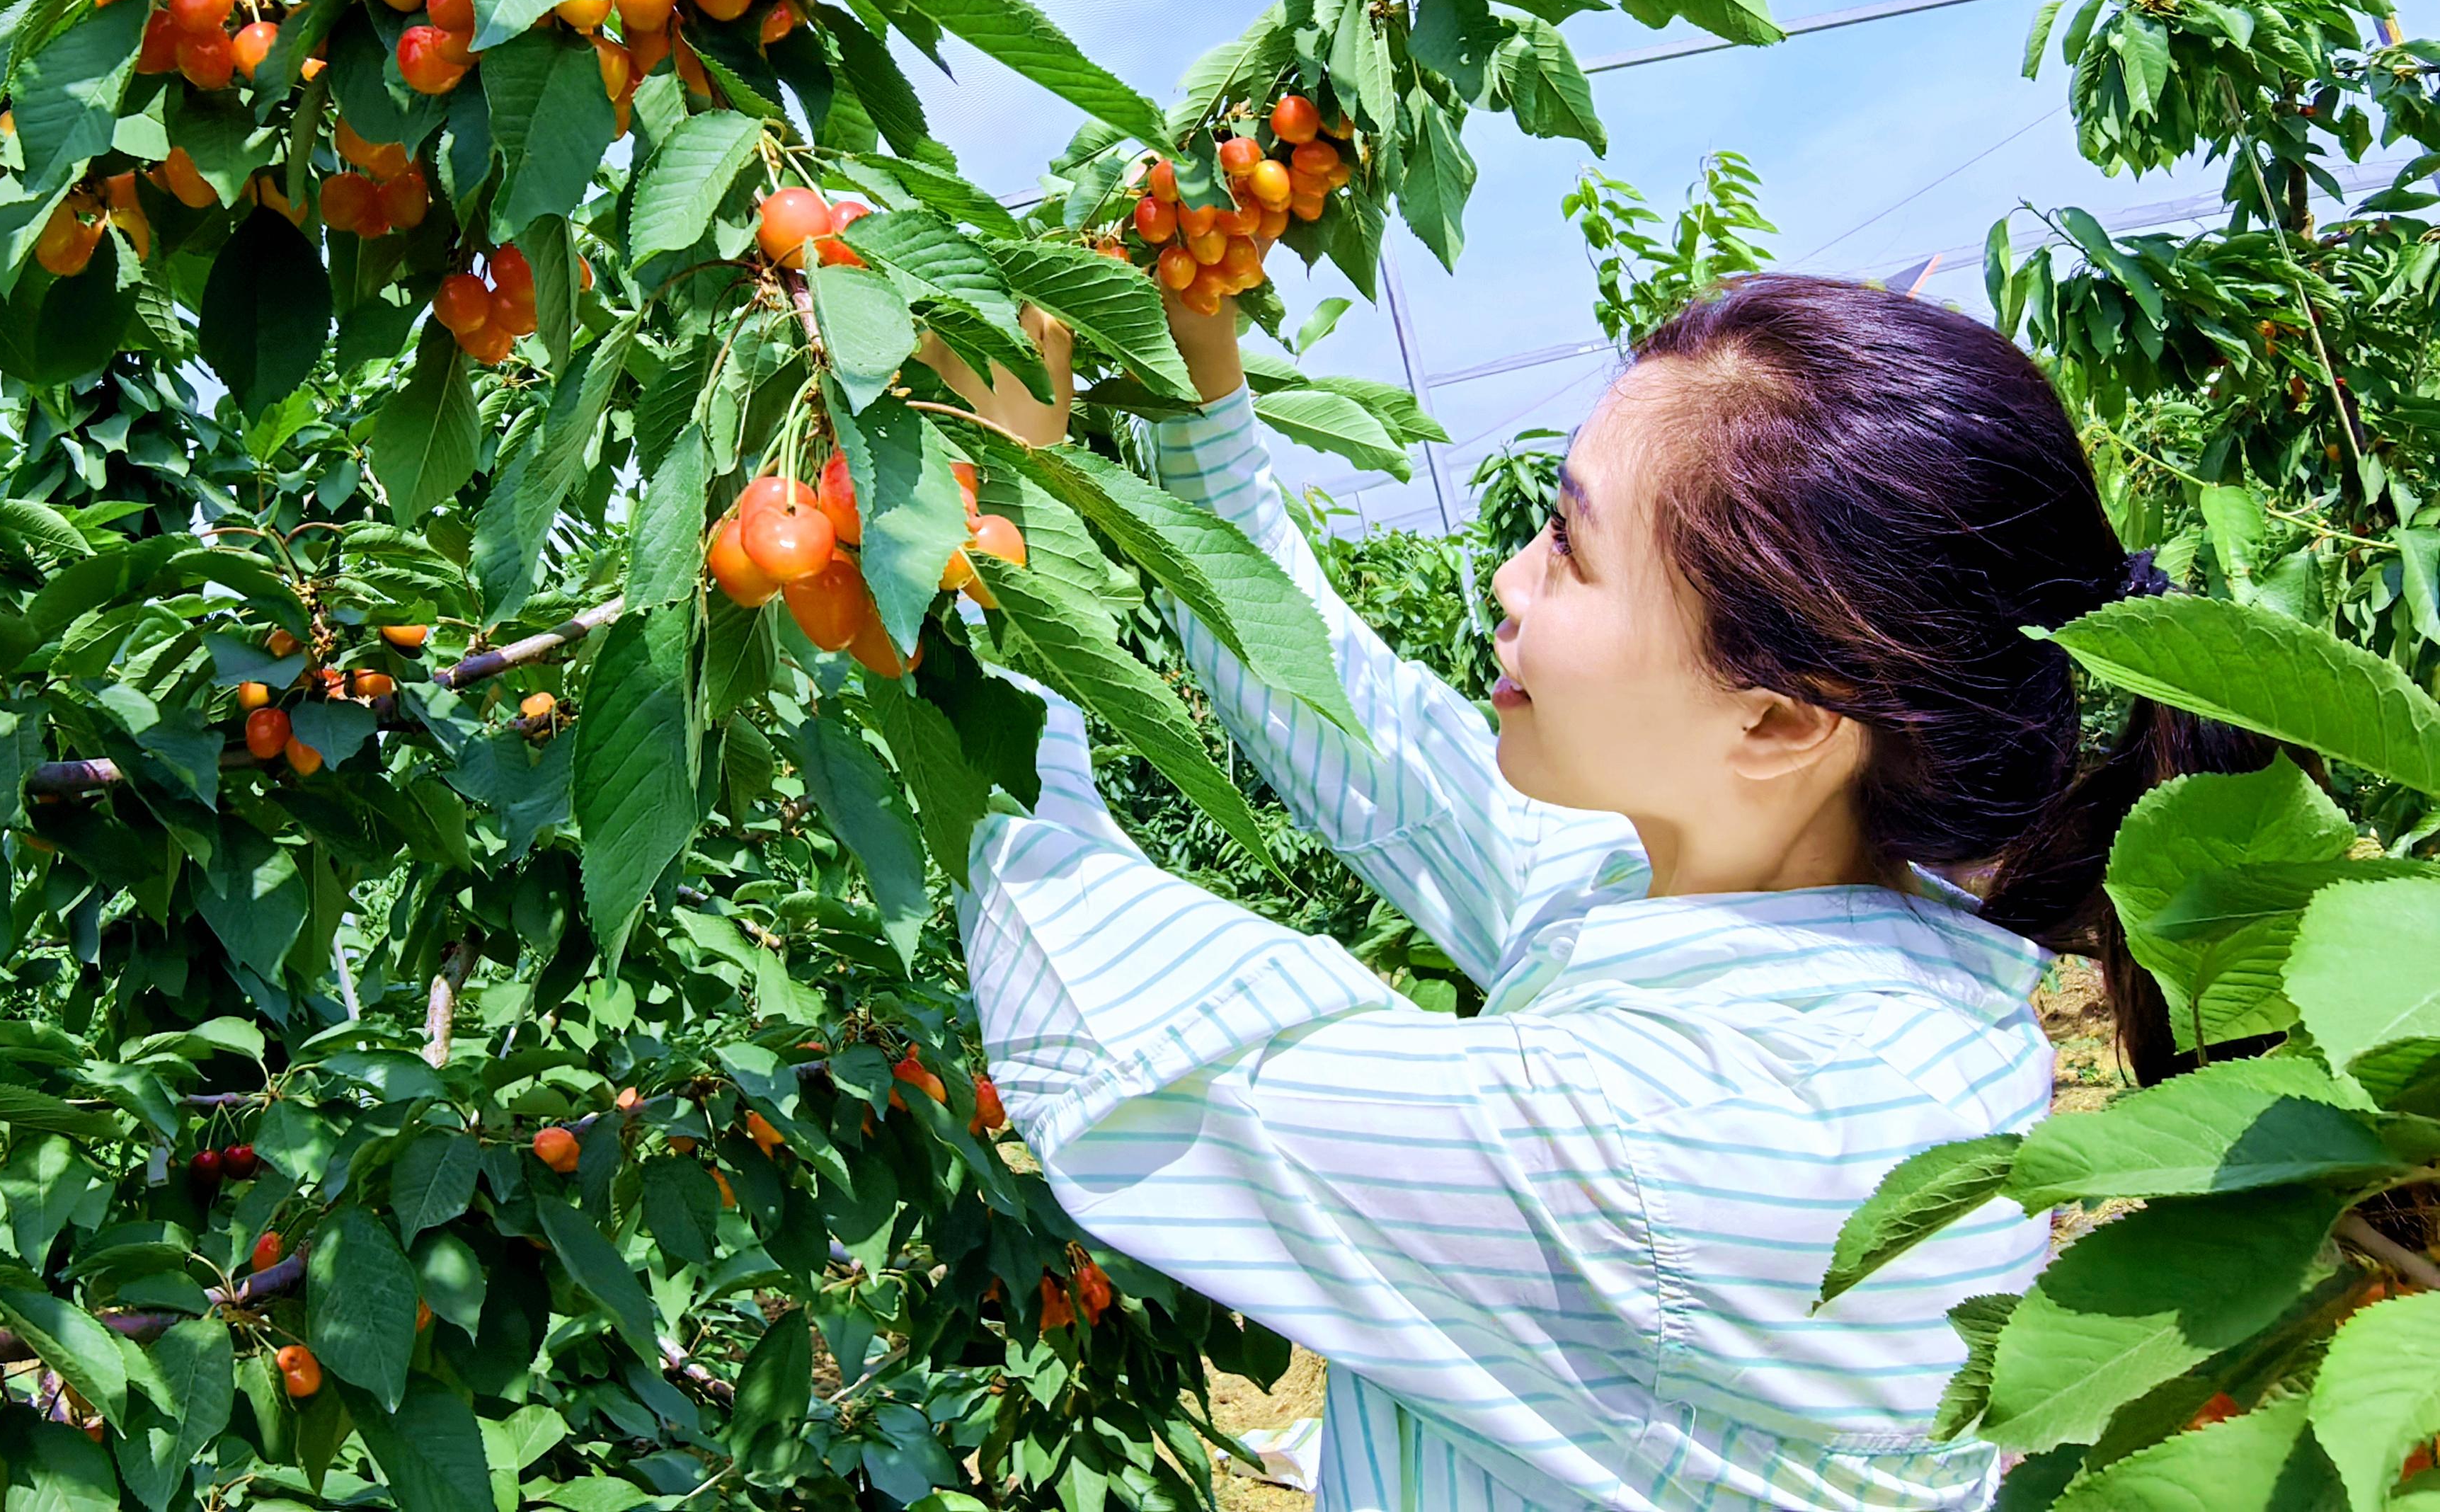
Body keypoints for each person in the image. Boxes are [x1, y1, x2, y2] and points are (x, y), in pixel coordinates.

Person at [933, 273, 2254, 1511]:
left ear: (1782, 721)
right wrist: (1199, 383)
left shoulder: (1716, 1132)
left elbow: (1122, 1051)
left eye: (1570, 543)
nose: (1510, 578)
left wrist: (985, 544)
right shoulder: (1740, 904)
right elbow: (1366, 739)